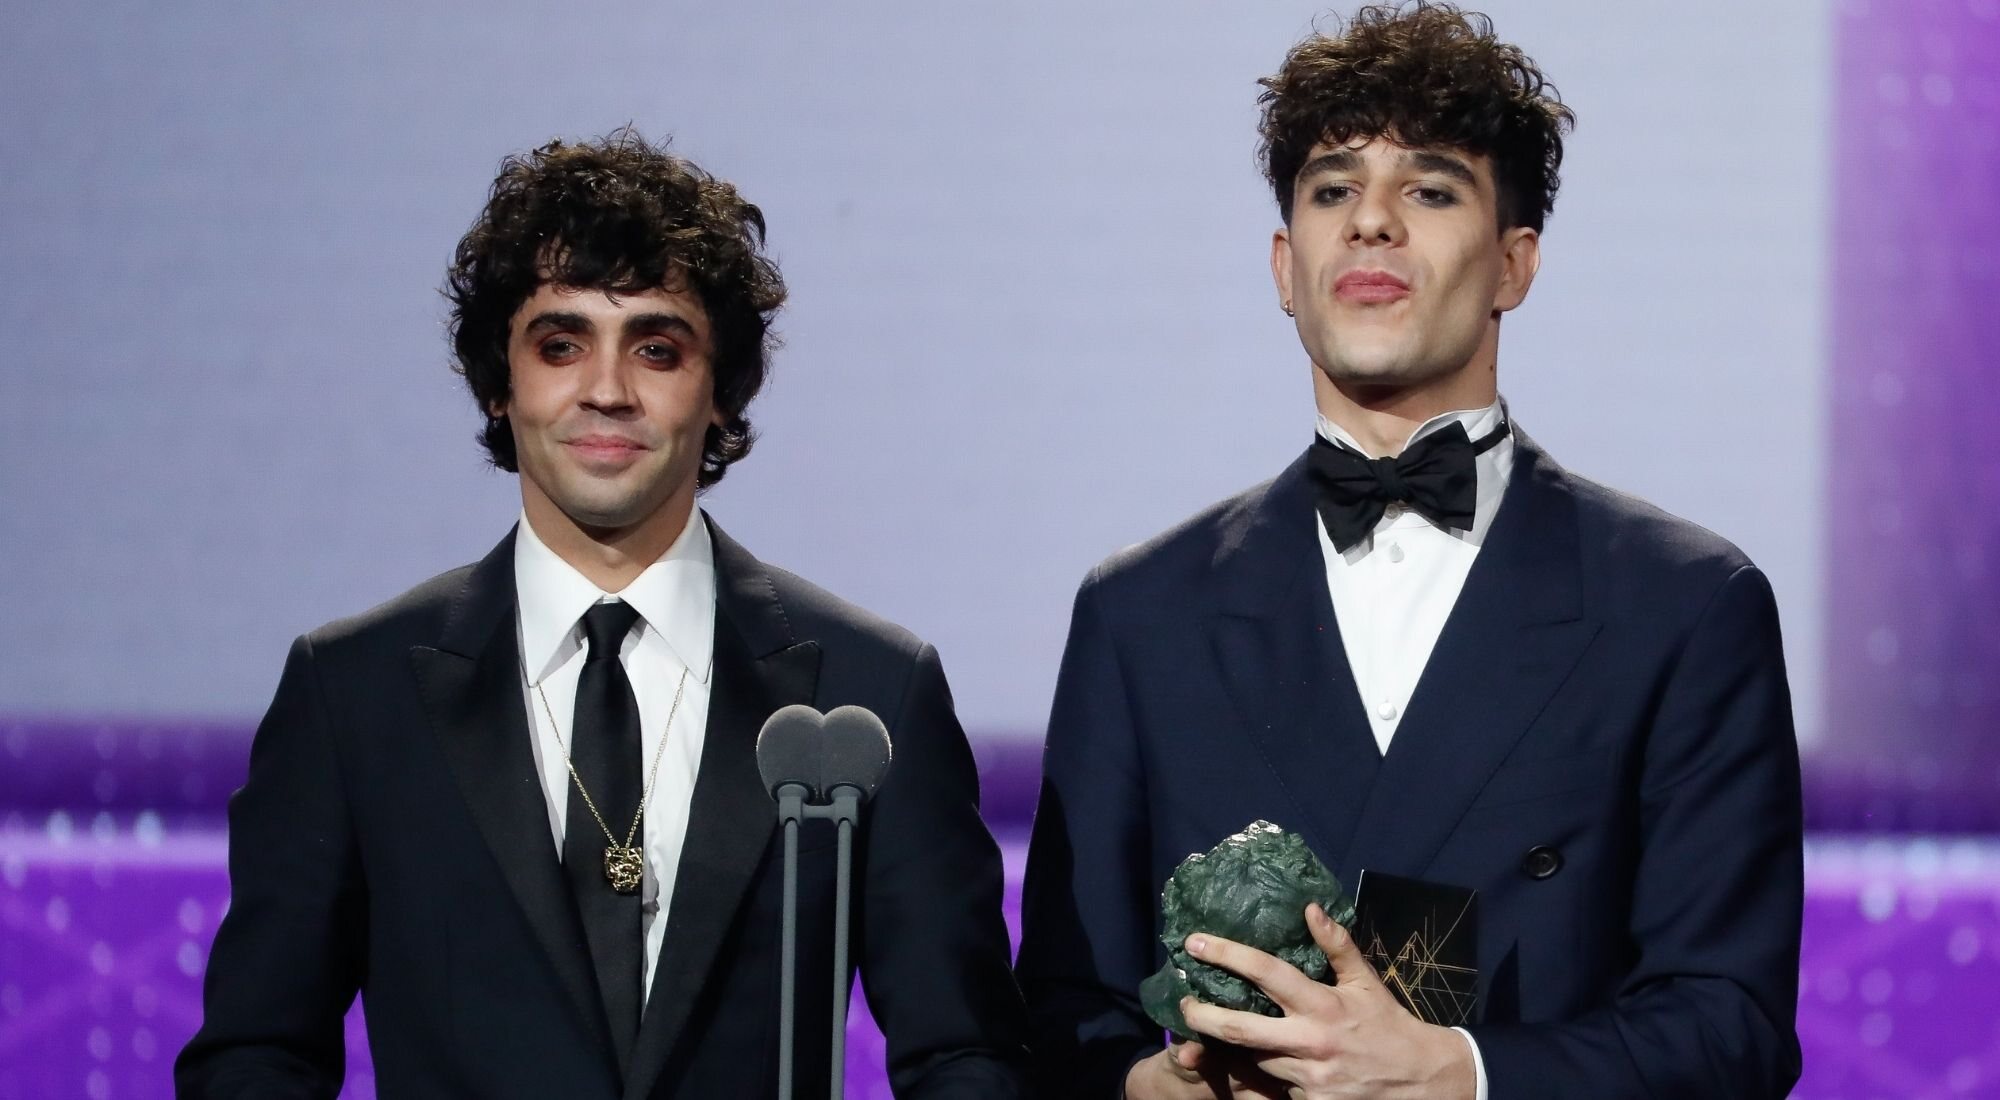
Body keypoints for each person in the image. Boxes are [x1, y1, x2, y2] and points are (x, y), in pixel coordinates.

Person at [1015, 5, 1804, 1098]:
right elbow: (1059, 1018)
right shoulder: (1138, 613)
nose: (1371, 223)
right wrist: (1143, 1085)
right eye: (1333, 190)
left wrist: (1459, 1072)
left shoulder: (1681, 604)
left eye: (1428, 191)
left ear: (1511, 265)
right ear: (1286, 267)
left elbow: (1731, 1025)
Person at [176, 130, 1028, 1099]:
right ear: (500, 382)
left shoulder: (870, 690)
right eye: (559, 343)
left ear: (721, 388)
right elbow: (255, 1051)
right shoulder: (354, 691)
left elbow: (967, 1055)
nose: (607, 389)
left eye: (656, 347)